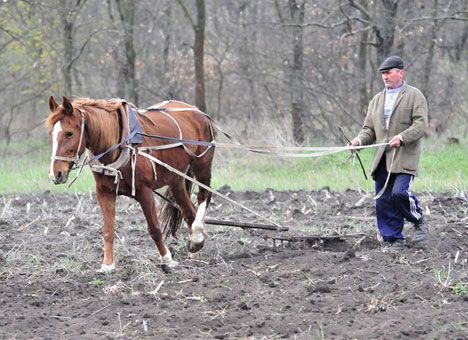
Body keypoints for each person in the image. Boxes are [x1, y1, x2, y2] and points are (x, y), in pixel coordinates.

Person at [350, 56, 429, 251]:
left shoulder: (414, 95)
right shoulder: (376, 100)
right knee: (384, 200)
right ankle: (394, 240)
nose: (385, 77)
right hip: (382, 159)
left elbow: (421, 124)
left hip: (404, 157)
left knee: (399, 194)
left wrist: (402, 137)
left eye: (389, 72)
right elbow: (369, 129)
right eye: (383, 74)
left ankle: (418, 220)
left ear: (401, 72)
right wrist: (358, 141)